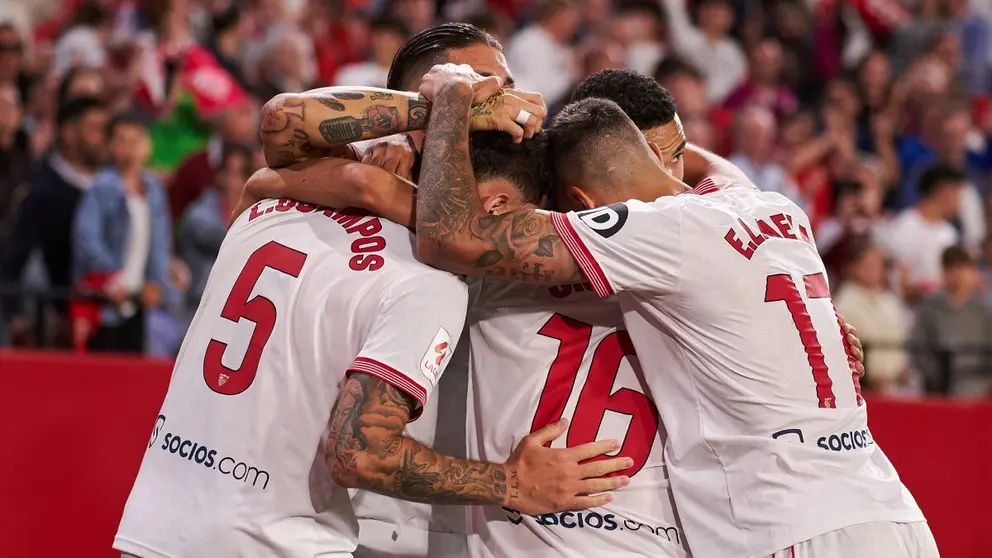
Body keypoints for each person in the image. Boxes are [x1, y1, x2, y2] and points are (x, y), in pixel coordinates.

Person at [410, 65, 933, 558]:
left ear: (582, 200)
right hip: (890, 506)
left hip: (788, 521)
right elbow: (715, 170)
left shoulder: (650, 231)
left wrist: (453, 96)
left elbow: (451, 238)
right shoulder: (774, 206)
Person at [114, 108, 626, 558]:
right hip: (272, 542)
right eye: (526, 223)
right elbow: (357, 452)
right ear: (496, 209)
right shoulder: (430, 286)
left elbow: (284, 125)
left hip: (155, 524)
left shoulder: (276, 205)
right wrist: (512, 482)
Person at [1, 96, 107, 347]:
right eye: (95, 128)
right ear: (69, 132)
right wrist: (16, 314)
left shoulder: (113, 186)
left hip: (110, 316)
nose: (104, 137)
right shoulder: (42, 190)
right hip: (60, 320)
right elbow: (16, 256)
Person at [72, 112, 172, 354]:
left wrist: (158, 283)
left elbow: (160, 243)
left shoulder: (154, 191)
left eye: (135, 141)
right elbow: (86, 240)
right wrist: (113, 278)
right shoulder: (100, 188)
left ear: (147, 146)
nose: (128, 149)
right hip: (106, 300)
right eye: (121, 140)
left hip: (140, 302)